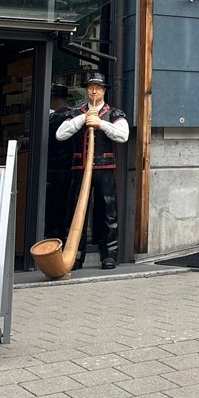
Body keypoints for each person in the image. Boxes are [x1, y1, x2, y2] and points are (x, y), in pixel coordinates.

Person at [55, 72, 129, 269]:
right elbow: (60, 134)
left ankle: (109, 255)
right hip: (80, 169)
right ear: (87, 90)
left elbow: (123, 136)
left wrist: (101, 124)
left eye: (98, 87)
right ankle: (75, 255)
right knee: (77, 211)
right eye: (90, 87)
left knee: (107, 212)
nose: (94, 91)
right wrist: (84, 119)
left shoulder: (114, 113)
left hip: (104, 169)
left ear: (104, 90)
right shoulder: (75, 113)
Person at [46, 83, 75, 235]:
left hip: (55, 167)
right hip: (69, 166)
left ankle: (54, 234)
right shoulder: (72, 116)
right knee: (65, 204)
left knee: (54, 205)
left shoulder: (54, 119)